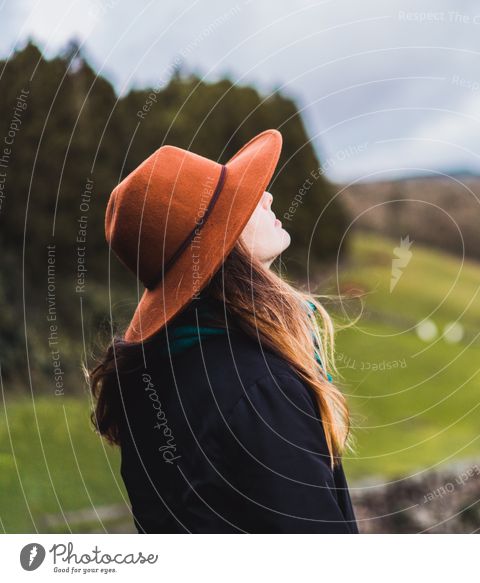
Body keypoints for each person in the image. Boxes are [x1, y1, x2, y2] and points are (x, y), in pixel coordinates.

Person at [87, 129, 359, 533]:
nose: (265, 196)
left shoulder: (147, 381)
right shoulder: (261, 388)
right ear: (220, 243)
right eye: (244, 199)